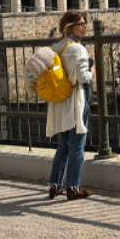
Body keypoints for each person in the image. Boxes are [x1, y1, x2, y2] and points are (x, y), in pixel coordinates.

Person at [46, 10, 95, 200]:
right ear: (70, 27)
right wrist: (92, 71)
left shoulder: (56, 47)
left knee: (64, 145)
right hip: (75, 101)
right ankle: (74, 187)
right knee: (77, 145)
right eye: (81, 24)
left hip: (60, 102)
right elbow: (83, 77)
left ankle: (55, 185)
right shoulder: (78, 49)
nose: (85, 27)